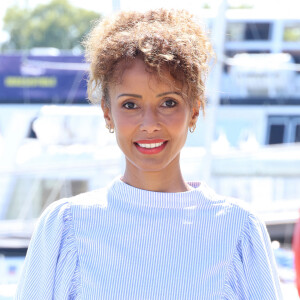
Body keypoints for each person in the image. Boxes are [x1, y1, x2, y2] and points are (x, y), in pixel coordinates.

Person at [15, 9, 283, 299]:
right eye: (130, 105)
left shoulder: (239, 230)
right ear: (107, 113)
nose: (150, 124)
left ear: (194, 111)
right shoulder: (65, 226)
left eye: (168, 102)